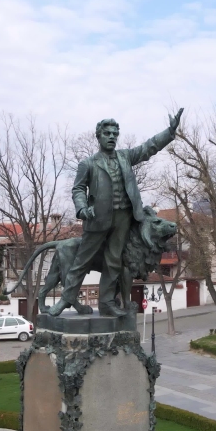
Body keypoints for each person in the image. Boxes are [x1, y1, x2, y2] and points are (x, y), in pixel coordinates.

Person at [47, 109, 183, 317]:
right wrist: (82, 208)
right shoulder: (89, 164)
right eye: (107, 133)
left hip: (123, 218)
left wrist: (169, 131)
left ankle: (107, 303)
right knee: (81, 261)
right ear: (99, 136)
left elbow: (149, 148)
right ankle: (65, 300)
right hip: (97, 219)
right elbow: (78, 189)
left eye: (114, 134)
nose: (111, 137)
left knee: (114, 261)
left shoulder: (125, 157)